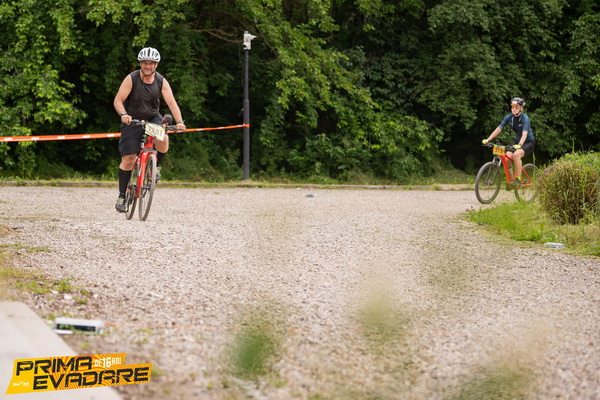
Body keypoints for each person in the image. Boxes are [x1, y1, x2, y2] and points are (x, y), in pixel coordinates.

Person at [113, 47, 186, 212]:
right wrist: (123, 114)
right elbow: (118, 100)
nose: (148, 66)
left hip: (152, 119)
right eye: (145, 63)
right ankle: (122, 196)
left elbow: (172, 102)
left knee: (163, 138)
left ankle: (155, 166)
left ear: (156, 65)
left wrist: (180, 122)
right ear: (140, 64)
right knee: (129, 158)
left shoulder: (161, 81)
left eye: (151, 63)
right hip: (132, 120)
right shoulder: (131, 79)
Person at [482, 97, 536, 187]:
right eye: (512, 106)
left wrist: (520, 145)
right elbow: (499, 128)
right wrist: (488, 139)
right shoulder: (509, 117)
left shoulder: (525, 118)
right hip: (517, 141)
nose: (514, 109)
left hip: (528, 142)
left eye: (516, 106)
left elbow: (524, 134)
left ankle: (518, 179)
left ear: (521, 108)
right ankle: (511, 181)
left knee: (516, 155)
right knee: (507, 158)